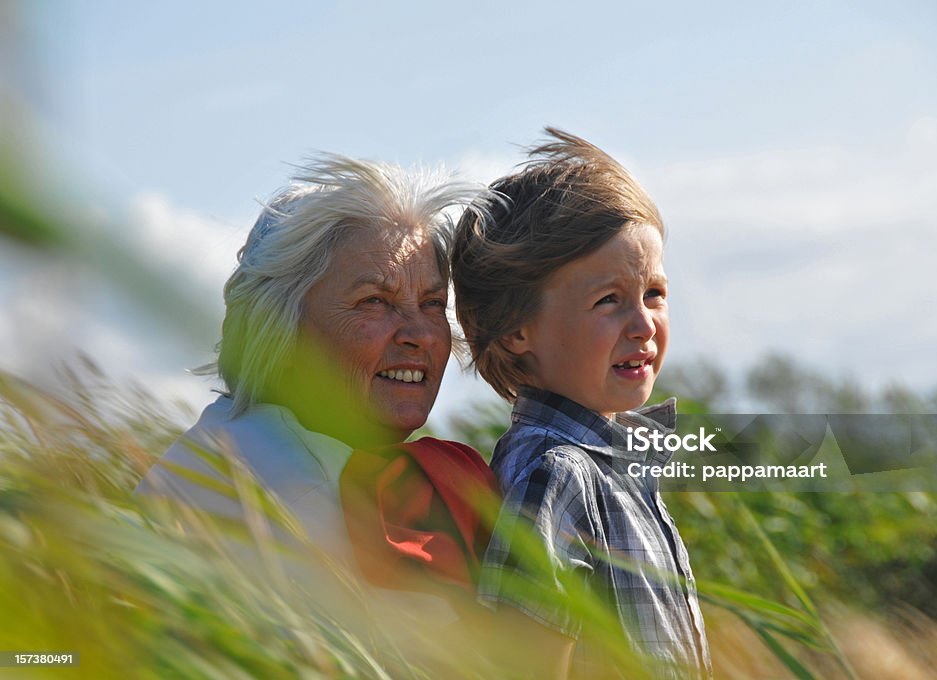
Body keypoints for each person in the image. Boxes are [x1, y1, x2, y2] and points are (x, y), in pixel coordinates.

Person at [135, 155, 497, 650]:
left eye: (432, 304)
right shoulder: (293, 491)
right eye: (374, 300)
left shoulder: (243, 442)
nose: (419, 335)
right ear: (277, 326)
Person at [452, 128, 712, 679]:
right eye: (609, 300)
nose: (643, 325)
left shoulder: (617, 470)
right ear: (518, 328)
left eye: (654, 294)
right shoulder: (557, 475)